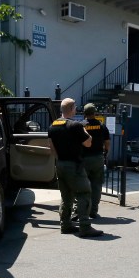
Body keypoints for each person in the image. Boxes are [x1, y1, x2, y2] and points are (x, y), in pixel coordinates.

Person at [48, 98, 103, 237]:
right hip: (74, 166)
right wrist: (84, 130)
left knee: (66, 196)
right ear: (72, 108)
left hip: (60, 164)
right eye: (75, 107)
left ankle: (65, 225)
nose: (76, 109)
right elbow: (88, 143)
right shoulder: (76, 125)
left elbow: (52, 148)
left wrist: (60, 160)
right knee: (84, 193)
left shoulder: (53, 126)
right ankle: (85, 226)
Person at [80, 103, 110, 219]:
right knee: (96, 185)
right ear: (95, 113)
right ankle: (93, 211)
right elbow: (107, 142)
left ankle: (82, 210)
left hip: (83, 159)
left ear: (84, 113)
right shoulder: (101, 126)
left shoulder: (81, 126)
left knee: (82, 185)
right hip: (97, 158)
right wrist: (106, 153)